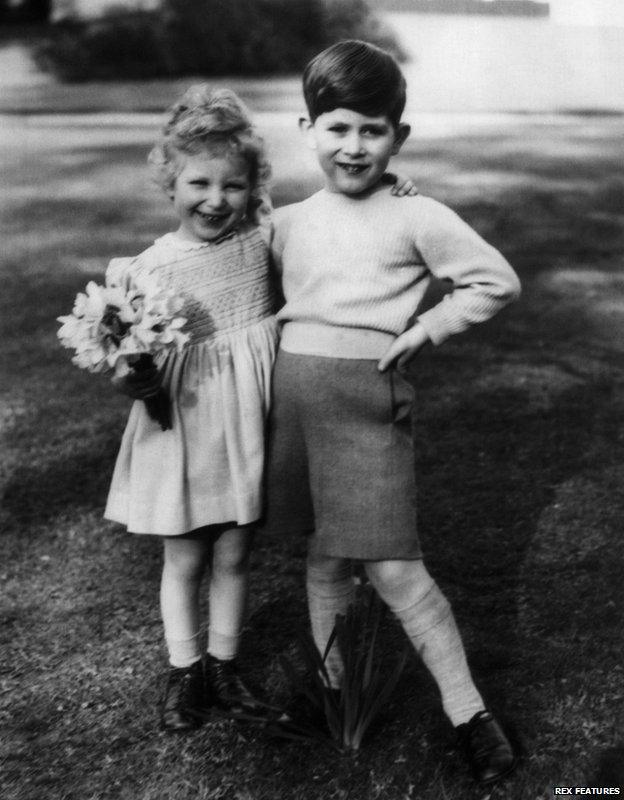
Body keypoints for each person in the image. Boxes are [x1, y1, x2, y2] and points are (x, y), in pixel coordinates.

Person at [265, 40, 522, 785]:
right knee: (324, 556)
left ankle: (468, 713)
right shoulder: (286, 220)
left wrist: (425, 327)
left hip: (365, 407)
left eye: (372, 130)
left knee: (396, 566)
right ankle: (333, 689)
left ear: (398, 138)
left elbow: (493, 280)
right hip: (295, 406)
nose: (354, 146)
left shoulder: (418, 214)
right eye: (337, 127)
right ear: (307, 127)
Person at [103, 85, 280, 732]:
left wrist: (396, 186)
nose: (215, 200)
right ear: (169, 185)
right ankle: (185, 674)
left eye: (233, 185)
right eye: (199, 184)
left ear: (253, 187)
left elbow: (330, 220)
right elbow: (126, 368)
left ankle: (225, 666)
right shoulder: (143, 271)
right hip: (180, 427)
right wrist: (138, 380)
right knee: (185, 558)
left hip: (246, 422)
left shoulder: (261, 240)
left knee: (235, 554)